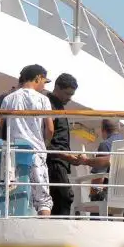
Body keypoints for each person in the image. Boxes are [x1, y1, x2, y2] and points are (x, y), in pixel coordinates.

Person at [0, 65, 54, 216]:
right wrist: (45, 144)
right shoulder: (43, 100)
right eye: (44, 82)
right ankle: (43, 230)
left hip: (13, 152)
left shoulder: (8, 98)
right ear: (38, 78)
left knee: (12, 193)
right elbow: (50, 129)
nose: (44, 86)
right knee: (43, 198)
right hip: (36, 151)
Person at [45, 73, 84, 216]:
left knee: (58, 198)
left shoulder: (57, 106)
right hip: (54, 161)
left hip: (58, 160)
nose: (69, 98)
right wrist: (66, 156)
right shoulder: (50, 105)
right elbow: (47, 137)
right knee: (64, 197)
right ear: (57, 88)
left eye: (71, 94)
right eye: (67, 93)